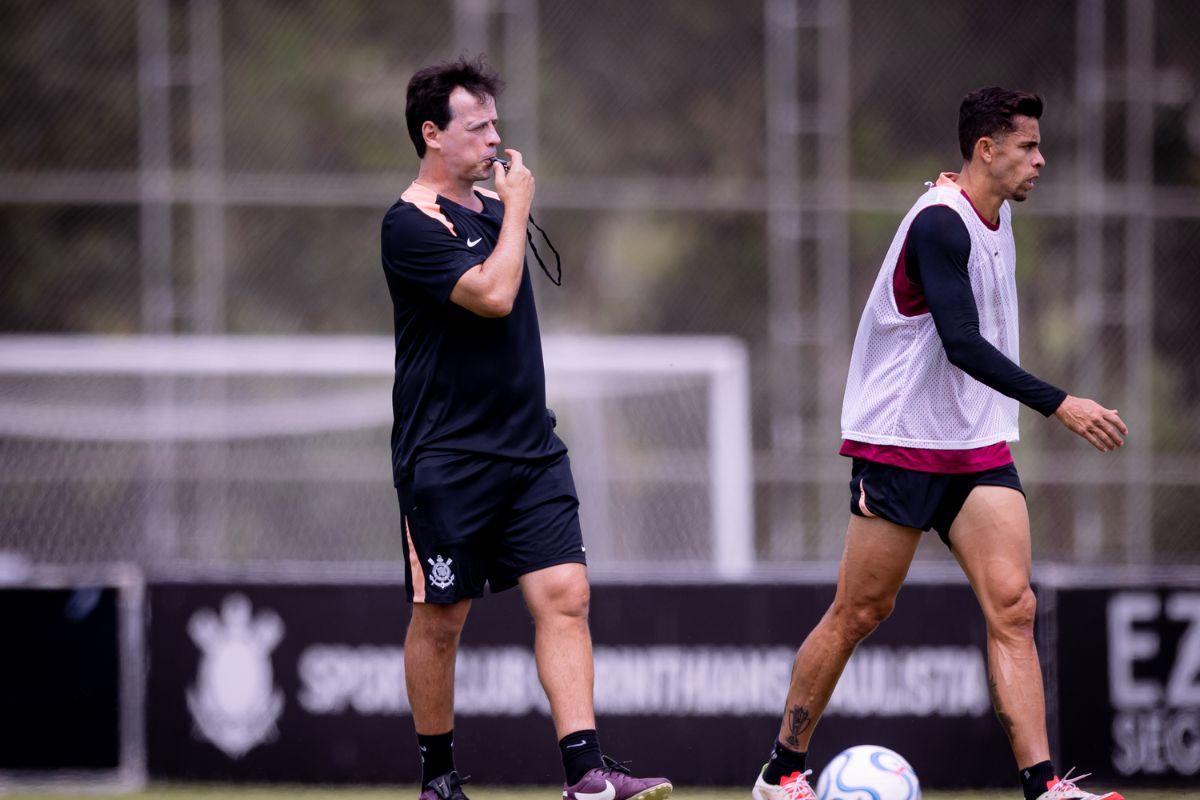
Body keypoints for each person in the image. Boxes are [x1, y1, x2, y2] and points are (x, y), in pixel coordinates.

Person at [750, 87, 1129, 800]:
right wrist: (1062, 404)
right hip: (900, 443)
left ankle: (1044, 787)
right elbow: (960, 344)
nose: (1040, 161)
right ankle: (782, 770)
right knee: (861, 611)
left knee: (1014, 607)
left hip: (977, 444)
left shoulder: (996, 212)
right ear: (986, 151)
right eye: (1027, 148)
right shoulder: (940, 225)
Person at [380, 56, 672, 800]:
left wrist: (503, 211)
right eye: (476, 128)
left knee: (567, 595)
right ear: (432, 134)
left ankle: (587, 775)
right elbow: (494, 294)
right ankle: (439, 780)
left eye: (495, 125)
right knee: (442, 619)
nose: (494, 140)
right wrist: (514, 209)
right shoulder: (407, 224)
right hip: (446, 460)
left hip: (530, 451)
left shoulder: (487, 212)